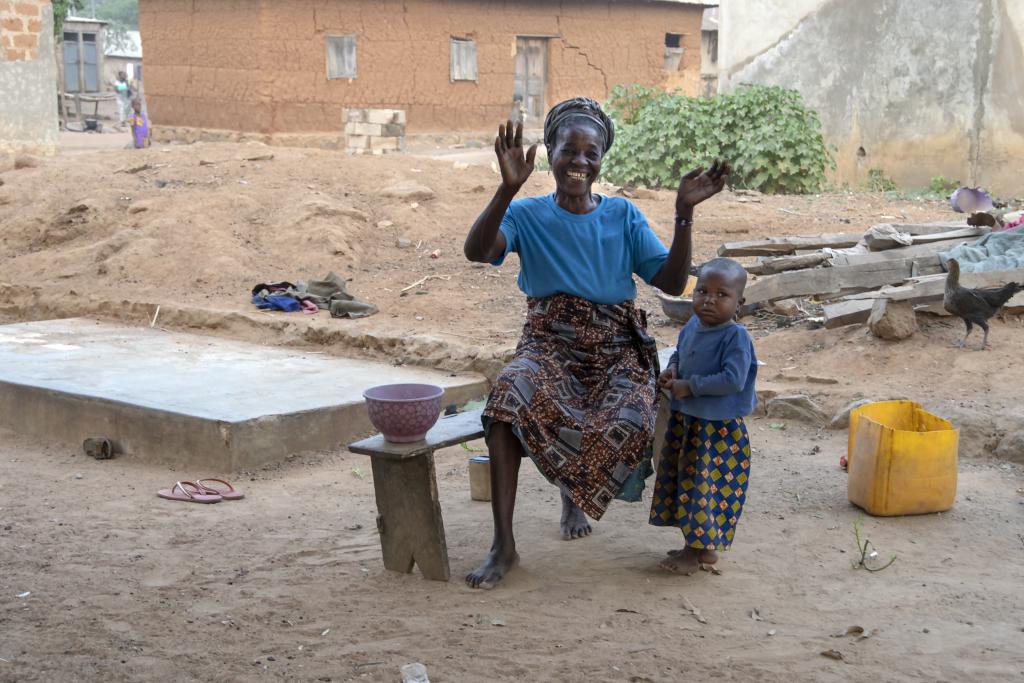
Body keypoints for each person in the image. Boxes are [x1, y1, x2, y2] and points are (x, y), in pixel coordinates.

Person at [462, 96, 731, 589]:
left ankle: (572, 493)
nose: (580, 162)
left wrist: (683, 213)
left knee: (628, 416)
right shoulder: (526, 214)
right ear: (550, 152)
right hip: (548, 341)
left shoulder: (623, 216)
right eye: (570, 150)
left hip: (615, 346)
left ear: (602, 159)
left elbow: (671, 283)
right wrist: (505, 190)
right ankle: (503, 545)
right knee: (507, 399)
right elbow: (478, 251)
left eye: (591, 153)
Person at [649, 257, 758, 575]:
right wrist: (671, 373)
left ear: (740, 302)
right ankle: (701, 547)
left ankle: (692, 551)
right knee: (687, 483)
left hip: (717, 431)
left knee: (704, 488)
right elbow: (681, 355)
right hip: (689, 423)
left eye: (722, 294)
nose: (709, 300)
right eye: (702, 291)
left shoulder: (735, 338)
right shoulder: (693, 326)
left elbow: (732, 380)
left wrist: (690, 386)